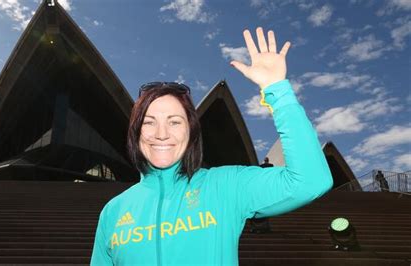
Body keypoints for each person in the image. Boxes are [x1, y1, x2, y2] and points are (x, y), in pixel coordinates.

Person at [90, 27, 333, 265]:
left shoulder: (225, 186)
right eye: (149, 122)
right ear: (136, 133)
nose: (161, 134)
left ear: (191, 132)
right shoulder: (113, 212)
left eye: (174, 122)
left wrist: (277, 91)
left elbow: (311, 181)